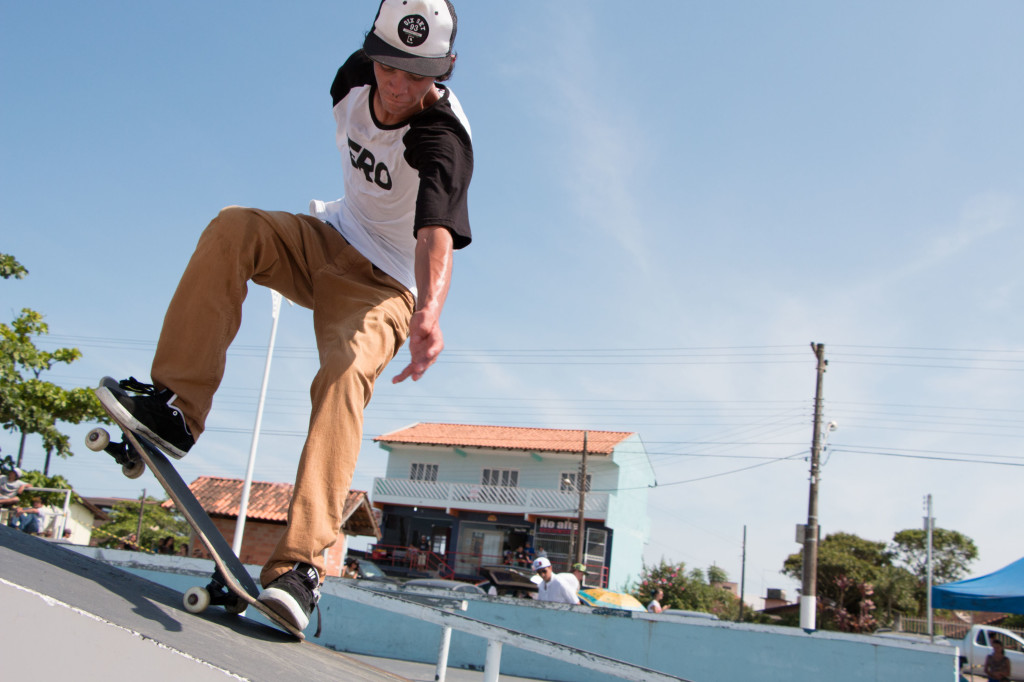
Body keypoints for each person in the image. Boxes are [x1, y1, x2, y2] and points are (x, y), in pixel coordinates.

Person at [95, 0, 472, 633]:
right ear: (371, 54)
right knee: (234, 228)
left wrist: (431, 313)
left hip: (385, 286)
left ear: (446, 70)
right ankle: (177, 411)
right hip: (327, 240)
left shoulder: (443, 138)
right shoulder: (351, 78)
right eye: (390, 67)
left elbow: (435, 233)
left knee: (347, 371)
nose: (401, 86)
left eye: (420, 74)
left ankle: (300, 566)